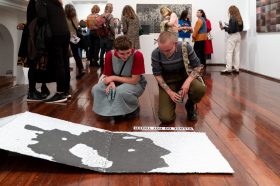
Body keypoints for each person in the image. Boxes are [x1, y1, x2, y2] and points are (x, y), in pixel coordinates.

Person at [151, 31, 206, 123]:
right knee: (166, 118)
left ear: (175, 44)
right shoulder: (156, 53)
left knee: (200, 89)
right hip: (168, 81)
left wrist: (187, 82)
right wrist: (170, 92)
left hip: (185, 76)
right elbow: (157, 74)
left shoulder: (185, 47)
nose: (165, 53)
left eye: (168, 50)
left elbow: (198, 66)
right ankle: (170, 107)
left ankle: (190, 105)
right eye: (162, 50)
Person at [92, 35, 147, 117]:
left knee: (119, 91)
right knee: (96, 89)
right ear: (115, 51)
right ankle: (110, 110)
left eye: (128, 52)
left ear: (131, 48)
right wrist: (111, 83)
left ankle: (133, 107)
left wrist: (113, 78)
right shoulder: (109, 55)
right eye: (122, 53)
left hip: (135, 84)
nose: (126, 56)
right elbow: (108, 75)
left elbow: (134, 80)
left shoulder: (137, 55)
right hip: (116, 81)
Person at [17, 0, 50, 101]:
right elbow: (39, 20)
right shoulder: (37, 2)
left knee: (35, 65)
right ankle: (31, 92)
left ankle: (34, 90)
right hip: (33, 38)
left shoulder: (34, 2)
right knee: (33, 64)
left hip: (33, 36)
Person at [41, 0, 71, 103]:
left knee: (59, 64)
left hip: (56, 34)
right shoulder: (58, 3)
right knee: (65, 62)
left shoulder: (44, 3)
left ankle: (60, 93)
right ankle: (66, 91)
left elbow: (42, 19)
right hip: (65, 33)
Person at [219, 5, 243, 74]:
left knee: (229, 52)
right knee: (237, 53)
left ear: (231, 11)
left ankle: (228, 69)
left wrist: (224, 28)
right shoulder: (239, 18)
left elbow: (231, 30)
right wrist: (229, 26)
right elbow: (240, 29)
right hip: (238, 35)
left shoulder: (232, 18)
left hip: (232, 37)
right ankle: (236, 69)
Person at [65, 4, 85, 79]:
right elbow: (77, 26)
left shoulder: (65, 18)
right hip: (74, 37)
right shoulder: (75, 17)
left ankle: (67, 69)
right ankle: (81, 68)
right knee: (76, 54)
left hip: (67, 37)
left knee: (66, 54)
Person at [99, 3, 115, 72]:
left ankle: (101, 66)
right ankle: (107, 67)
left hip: (102, 37)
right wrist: (114, 33)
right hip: (109, 37)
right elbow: (111, 26)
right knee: (108, 53)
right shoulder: (110, 16)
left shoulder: (101, 15)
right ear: (111, 9)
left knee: (102, 51)